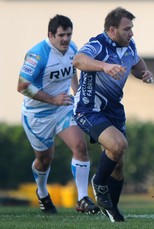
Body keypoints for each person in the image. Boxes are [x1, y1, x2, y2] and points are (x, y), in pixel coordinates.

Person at [72, 7, 154, 222]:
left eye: (132, 28)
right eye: (127, 29)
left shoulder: (129, 46)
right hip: (89, 108)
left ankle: (113, 211)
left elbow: (136, 63)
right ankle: (98, 183)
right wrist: (103, 66)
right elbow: (78, 61)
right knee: (118, 145)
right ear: (112, 29)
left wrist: (144, 73)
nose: (132, 33)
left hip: (114, 109)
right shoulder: (98, 44)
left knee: (118, 162)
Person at [17, 15, 99, 215]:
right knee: (45, 160)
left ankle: (82, 199)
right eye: (61, 35)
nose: (65, 39)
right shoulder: (37, 55)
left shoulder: (72, 49)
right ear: (51, 35)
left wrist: (77, 93)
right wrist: (52, 99)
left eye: (69, 34)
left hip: (62, 109)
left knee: (80, 146)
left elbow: (72, 70)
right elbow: (22, 86)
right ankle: (43, 192)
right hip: (37, 115)